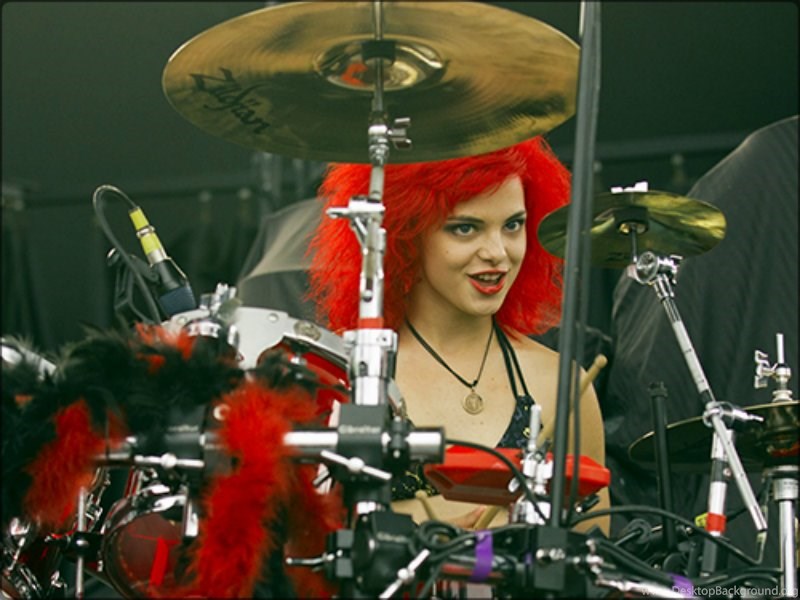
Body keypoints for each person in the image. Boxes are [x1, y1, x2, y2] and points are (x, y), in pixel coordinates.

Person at [307, 136, 609, 533]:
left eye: (513, 225)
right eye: (465, 228)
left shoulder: (563, 385)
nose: (497, 252)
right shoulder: (346, 378)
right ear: (407, 232)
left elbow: (595, 549)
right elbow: (308, 538)